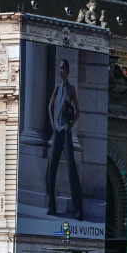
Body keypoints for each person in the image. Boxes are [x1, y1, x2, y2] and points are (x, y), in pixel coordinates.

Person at [46, 58, 83, 220]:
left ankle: (78, 210)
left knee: (71, 170)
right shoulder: (57, 87)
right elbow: (50, 106)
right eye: (59, 68)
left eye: (62, 68)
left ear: (67, 70)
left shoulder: (71, 89)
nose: (60, 70)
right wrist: (52, 123)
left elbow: (78, 112)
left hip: (66, 132)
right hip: (57, 132)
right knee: (51, 168)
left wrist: (71, 126)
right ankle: (51, 207)